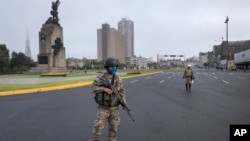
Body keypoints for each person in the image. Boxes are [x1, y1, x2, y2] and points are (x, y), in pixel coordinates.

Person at [90, 57, 128, 141]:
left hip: (115, 109)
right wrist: (104, 89)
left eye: (115, 67)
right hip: (103, 109)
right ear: (107, 67)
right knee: (97, 129)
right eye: (112, 67)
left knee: (114, 130)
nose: (114, 68)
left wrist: (124, 104)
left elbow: (122, 92)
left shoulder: (118, 79)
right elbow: (93, 88)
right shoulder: (100, 77)